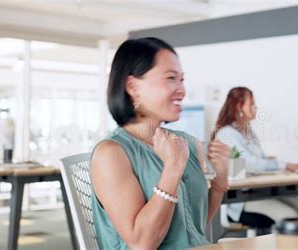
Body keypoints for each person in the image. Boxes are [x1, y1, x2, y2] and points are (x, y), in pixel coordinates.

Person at [90, 37, 230, 249]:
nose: (182, 90)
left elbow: (192, 229)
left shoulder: (187, 144)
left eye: (182, 79)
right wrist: (172, 169)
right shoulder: (111, 153)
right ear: (132, 86)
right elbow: (142, 243)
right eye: (171, 78)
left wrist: (218, 185)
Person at [212, 87, 298, 231]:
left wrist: (269, 161)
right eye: (252, 104)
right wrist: (284, 165)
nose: (255, 108)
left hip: (259, 192)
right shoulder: (227, 133)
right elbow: (250, 163)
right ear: (239, 106)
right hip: (240, 201)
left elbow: (256, 158)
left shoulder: (247, 131)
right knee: (290, 216)